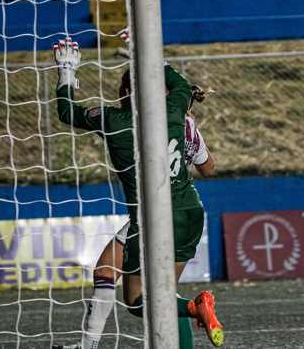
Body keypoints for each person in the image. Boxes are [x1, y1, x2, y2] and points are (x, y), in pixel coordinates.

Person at [51, 34, 223, 349]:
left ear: (127, 93)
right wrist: (146, 51)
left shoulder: (114, 120)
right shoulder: (178, 115)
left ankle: (192, 307)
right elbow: (208, 167)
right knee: (120, 274)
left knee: (141, 299)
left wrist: (66, 72)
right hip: (187, 210)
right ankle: (89, 345)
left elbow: (66, 113)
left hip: (149, 218)